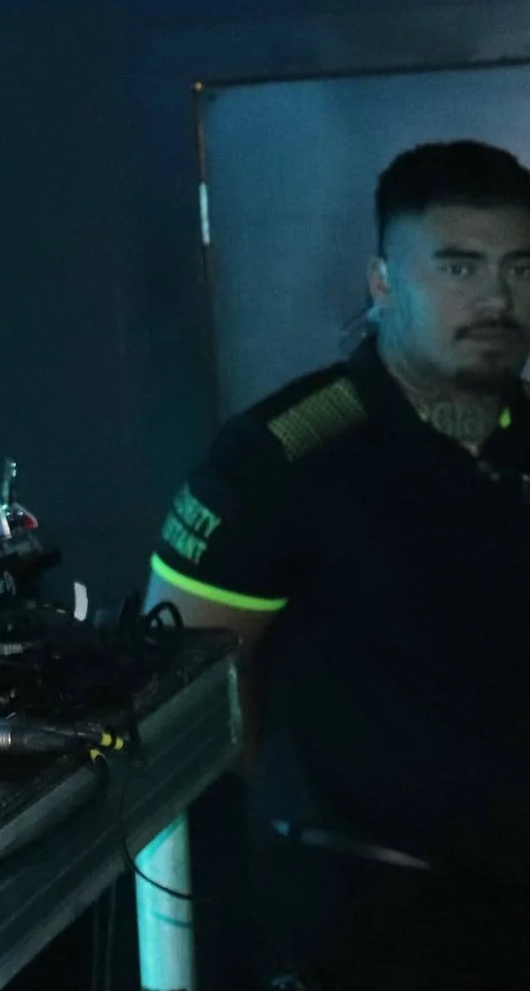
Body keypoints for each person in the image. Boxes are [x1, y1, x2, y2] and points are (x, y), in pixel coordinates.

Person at [146, 140, 530, 990]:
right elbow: (185, 679)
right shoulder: (285, 455)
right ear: (383, 281)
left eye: (520, 268)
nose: (497, 299)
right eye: (458, 267)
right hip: (369, 916)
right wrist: (311, 808)